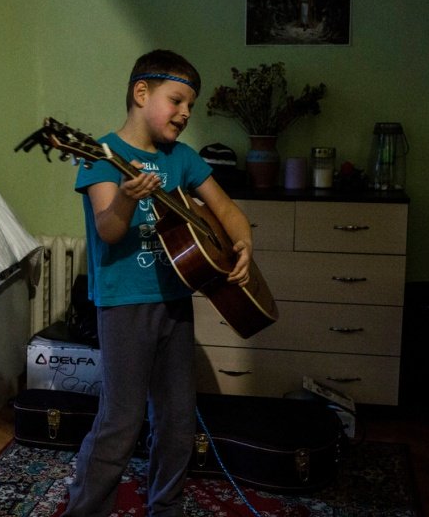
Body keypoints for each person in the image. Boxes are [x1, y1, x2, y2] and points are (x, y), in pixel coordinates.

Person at [62, 49, 254, 517]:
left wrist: (244, 243)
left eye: (191, 105)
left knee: (175, 420)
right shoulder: (101, 155)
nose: (186, 113)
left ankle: (165, 505)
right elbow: (109, 229)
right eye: (177, 100)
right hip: (125, 303)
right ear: (141, 92)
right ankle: (86, 508)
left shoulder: (182, 159)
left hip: (175, 302)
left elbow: (226, 210)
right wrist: (128, 201)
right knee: (121, 420)